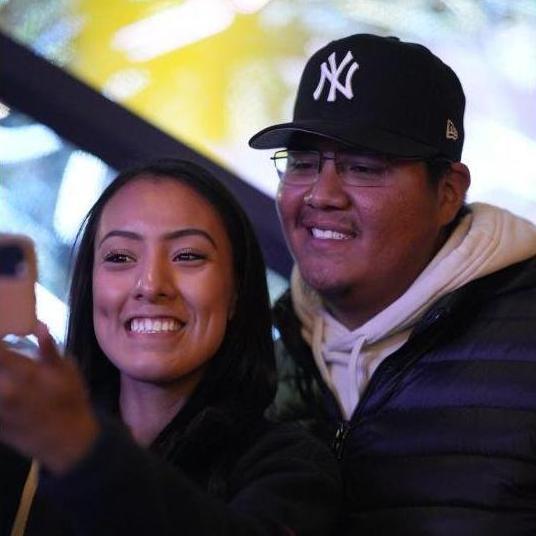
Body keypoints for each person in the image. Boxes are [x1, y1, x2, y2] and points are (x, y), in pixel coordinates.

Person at [249, 33, 536, 534]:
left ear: (447, 193)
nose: (321, 194)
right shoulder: (258, 366)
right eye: (302, 164)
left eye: (363, 167)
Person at [0, 159, 341, 535]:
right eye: (120, 257)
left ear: (235, 292)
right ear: (89, 284)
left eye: (188, 256)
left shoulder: (292, 469)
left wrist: (81, 448)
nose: (150, 285)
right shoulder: (21, 443)